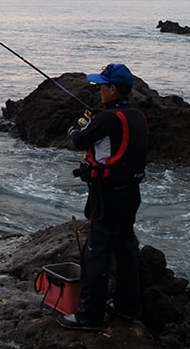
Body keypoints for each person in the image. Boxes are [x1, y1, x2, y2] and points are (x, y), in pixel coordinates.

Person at [57, 63, 148, 330]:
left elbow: (79, 140)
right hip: (131, 194)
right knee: (126, 247)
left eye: (101, 86)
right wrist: (96, 120)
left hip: (107, 196)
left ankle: (89, 316)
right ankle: (126, 307)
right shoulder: (136, 116)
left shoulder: (107, 119)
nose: (98, 90)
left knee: (96, 253)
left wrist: (77, 127)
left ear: (112, 89)